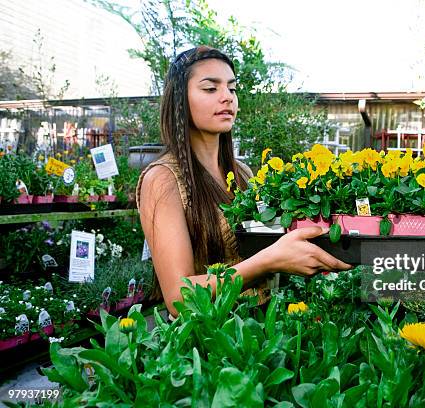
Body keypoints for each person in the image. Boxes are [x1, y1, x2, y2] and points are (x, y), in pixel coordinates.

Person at [137, 45, 351, 318]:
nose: (227, 97)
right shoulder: (163, 179)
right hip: (204, 342)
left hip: (259, 331)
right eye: (210, 89)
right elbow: (178, 298)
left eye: (232, 89)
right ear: (180, 100)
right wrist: (270, 260)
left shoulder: (243, 174)